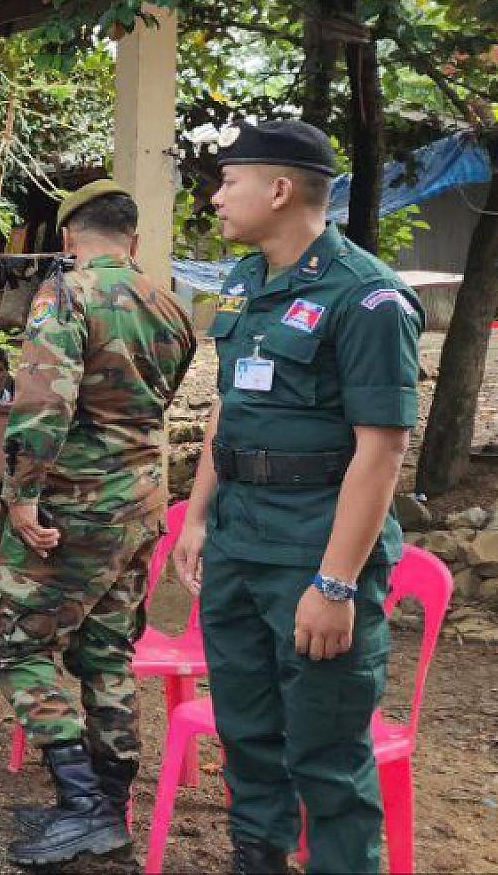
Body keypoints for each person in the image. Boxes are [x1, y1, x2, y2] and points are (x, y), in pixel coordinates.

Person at [170, 121, 421, 875]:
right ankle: (257, 858)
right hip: (242, 541)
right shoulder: (246, 282)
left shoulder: (368, 298)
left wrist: (337, 582)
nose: (216, 196)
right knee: (247, 733)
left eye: (228, 181)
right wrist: (200, 514)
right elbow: (229, 408)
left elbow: (382, 450)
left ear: (279, 189)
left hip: (314, 551)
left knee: (326, 750)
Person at [0, 180, 196, 867]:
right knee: (107, 649)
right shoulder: (169, 304)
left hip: (75, 504)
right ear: (133, 240)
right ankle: (109, 802)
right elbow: (160, 398)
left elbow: (44, 404)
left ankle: (80, 802)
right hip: (141, 504)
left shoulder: (66, 294)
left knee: (18, 644)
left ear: (71, 237)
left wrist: (19, 495)